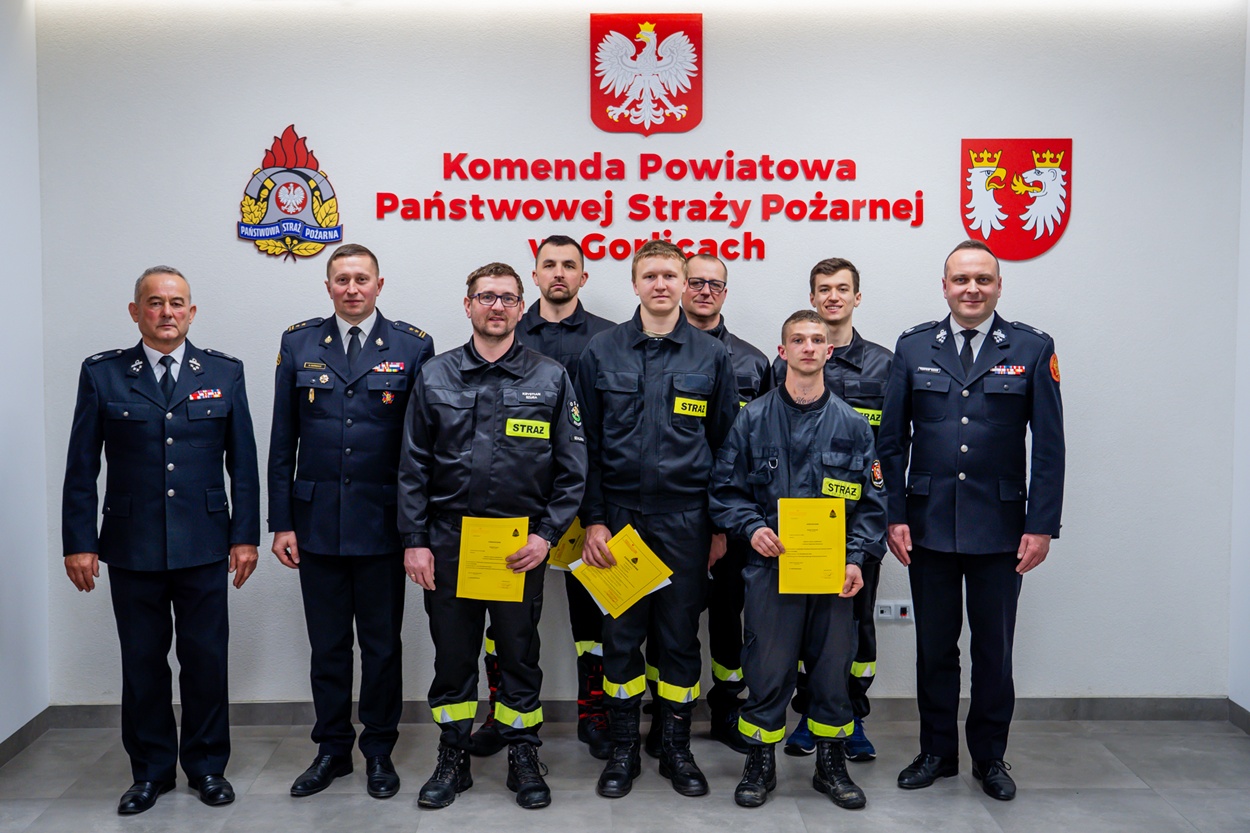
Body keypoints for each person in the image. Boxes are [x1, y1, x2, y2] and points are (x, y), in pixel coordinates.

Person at [62, 266, 259, 815]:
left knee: (205, 660)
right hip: (132, 544)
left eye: (176, 303)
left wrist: (245, 536)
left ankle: (207, 766)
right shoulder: (103, 374)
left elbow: (243, 463)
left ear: (191, 312)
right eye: (154, 302)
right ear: (136, 312)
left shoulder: (223, 372)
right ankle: (150, 772)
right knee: (143, 662)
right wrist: (78, 542)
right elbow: (81, 466)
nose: (166, 312)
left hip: (205, 543)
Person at [877, 240, 1065, 801]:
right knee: (934, 648)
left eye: (983, 279)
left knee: (993, 651)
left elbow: (1049, 447)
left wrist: (1041, 525)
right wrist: (894, 515)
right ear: (945, 287)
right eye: (961, 279)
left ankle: (990, 757)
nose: (972, 288)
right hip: (928, 525)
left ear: (999, 286)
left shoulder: (1032, 347)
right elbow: (891, 442)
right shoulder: (913, 347)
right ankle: (936, 752)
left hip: (1001, 529)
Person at [398, 262, 586, 810]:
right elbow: (412, 466)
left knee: (519, 656)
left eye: (507, 297)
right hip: (449, 544)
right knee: (453, 657)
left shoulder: (550, 377)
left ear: (521, 308)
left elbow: (573, 469)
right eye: (486, 297)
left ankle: (522, 754)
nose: (496, 306)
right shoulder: (435, 375)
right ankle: (452, 756)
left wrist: (546, 536)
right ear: (468, 306)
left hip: (517, 547)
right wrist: (415, 540)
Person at [268, 243, 435, 800]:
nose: (352, 288)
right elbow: (282, 441)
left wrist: (416, 530)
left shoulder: (412, 346)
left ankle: (379, 750)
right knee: (328, 646)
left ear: (379, 285)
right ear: (328, 286)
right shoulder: (298, 342)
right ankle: (332, 750)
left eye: (362, 279)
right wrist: (282, 521)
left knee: (382, 646)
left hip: (384, 523)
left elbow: (420, 447)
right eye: (342, 279)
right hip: (316, 524)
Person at [575, 240, 737, 799]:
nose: (662, 284)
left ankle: (675, 748)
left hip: (687, 521)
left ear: (686, 283)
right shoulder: (601, 351)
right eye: (651, 275)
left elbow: (726, 447)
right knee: (620, 637)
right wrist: (595, 520)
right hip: (620, 520)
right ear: (635, 283)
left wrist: (718, 526)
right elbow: (585, 444)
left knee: (680, 639)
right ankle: (624, 749)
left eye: (671, 275)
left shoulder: (711, 355)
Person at [709, 309, 886, 809]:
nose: (808, 348)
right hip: (770, 571)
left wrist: (855, 559)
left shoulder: (853, 425)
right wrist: (753, 528)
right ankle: (759, 763)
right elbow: (725, 491)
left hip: (832, 575)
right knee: (767, 670)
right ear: (782, 351)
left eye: (816, 340)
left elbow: (872, 505)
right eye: (798, 340)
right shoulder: (752, 419)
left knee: (831, 672)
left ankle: (830, 766)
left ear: (829, 351)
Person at [469, 235, 615, 760]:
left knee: (593, 618)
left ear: (583, 276)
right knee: (503, 619)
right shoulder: (506, 324)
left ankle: (593, 712)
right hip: (516, 502)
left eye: (569, 265)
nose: (558, 273)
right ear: (533, 276)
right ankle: (500, 710)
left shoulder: (607, 338)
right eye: (549, 264)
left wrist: (595, 510)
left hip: (585, 498)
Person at [773, 258, 892, 760]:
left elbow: (895, 445)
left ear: (857, 297)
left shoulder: (885, 366)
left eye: (843, 288)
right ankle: (810, 715)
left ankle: (852, 715)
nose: (833, 297)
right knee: (806, 627)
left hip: (857, 521)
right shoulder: (785, 362)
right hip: (801, 524)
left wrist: (883, 519)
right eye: (824, 289)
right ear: (812, 297)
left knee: (856, 625)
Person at [679, 253, 773, 753]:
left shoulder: (753, 362)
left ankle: (725, 708)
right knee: (669, 613)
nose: (704, 291)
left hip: (736, 514)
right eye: (696, 282)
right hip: (675, 510)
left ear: (725, 293)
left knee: (728, 613)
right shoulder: (661, 353)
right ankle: (670, 714)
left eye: (714, 284)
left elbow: (769, 441)